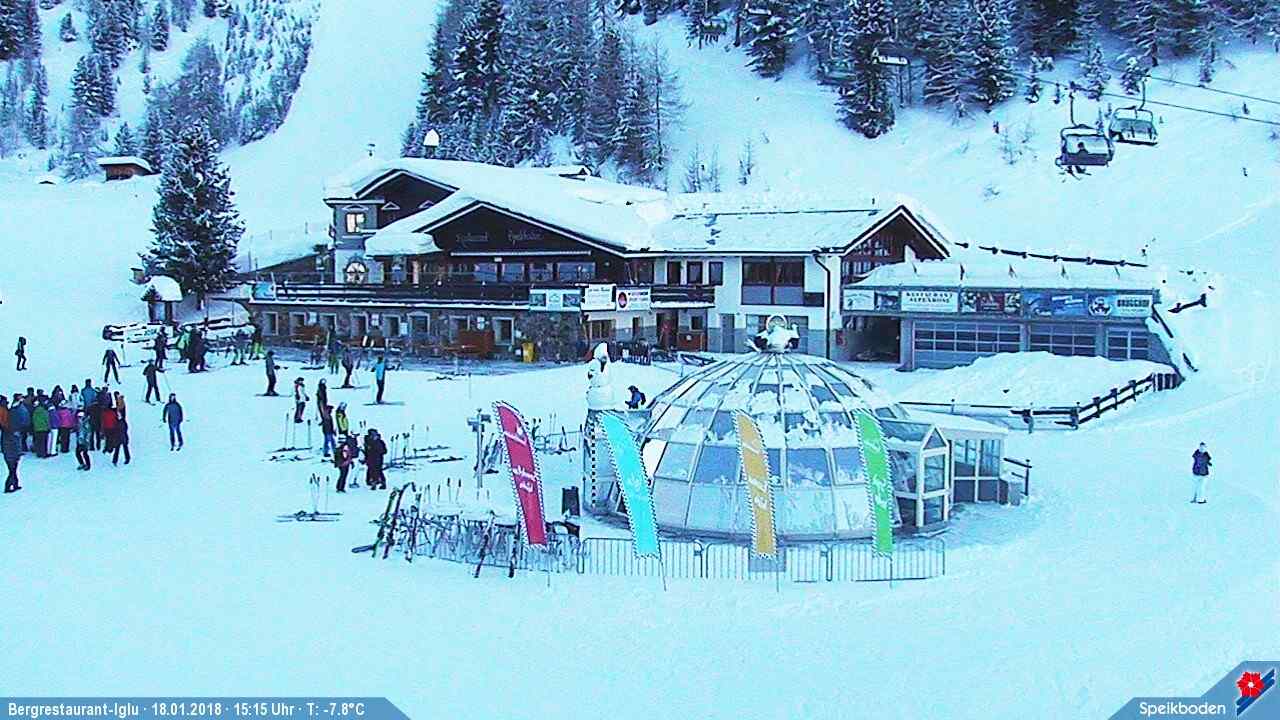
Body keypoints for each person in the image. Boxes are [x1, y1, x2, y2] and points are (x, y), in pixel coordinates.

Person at [2, 418, 21, 492]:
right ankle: (8, 486)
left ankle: (15, 484)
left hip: (9, 456)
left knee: (13, 471)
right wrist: (18, 454)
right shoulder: (12, 437)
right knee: (12, 472)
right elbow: (16, 446)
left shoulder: (5, 437)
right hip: (12, 457)